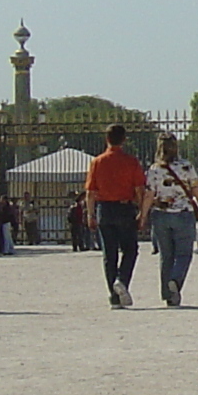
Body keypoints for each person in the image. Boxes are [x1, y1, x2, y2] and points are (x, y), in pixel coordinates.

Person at [86, 124, 150, 308]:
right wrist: (141, 212)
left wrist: (90, 214)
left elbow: (90, 191)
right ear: (124, 139)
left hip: (104, 209)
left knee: (109, 254)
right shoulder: (131, 161)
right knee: (130, 249)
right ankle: (121, 281)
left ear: (106, 139)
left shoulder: (97, 162)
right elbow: (139, 189)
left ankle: (114, 297)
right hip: (124, 208)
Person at [142, 133, 198, 306]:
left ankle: (167, 295)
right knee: (184, 254)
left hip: (160, 215)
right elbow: (196, 190)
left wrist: (143, 215)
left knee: (166, 255)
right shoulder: (186, 166)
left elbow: (149, 194)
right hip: (183, 213)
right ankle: (175, 281)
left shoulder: (154, 169)